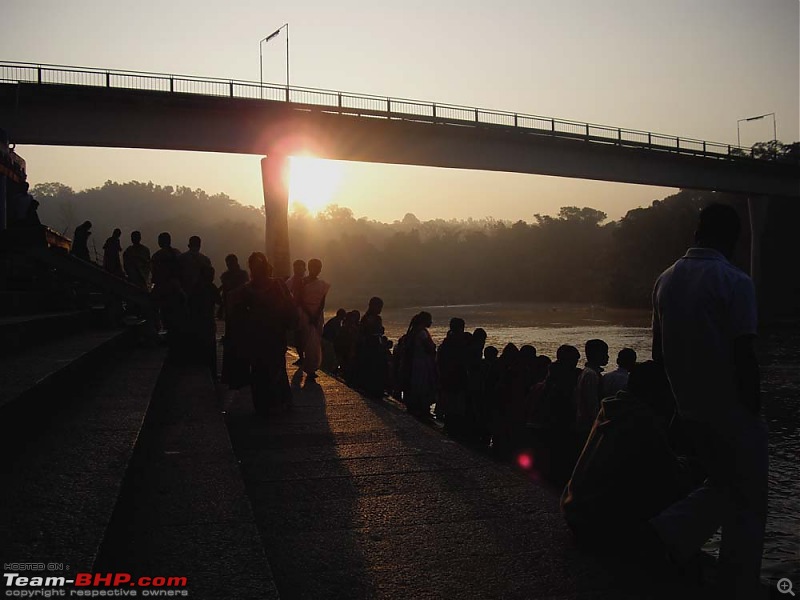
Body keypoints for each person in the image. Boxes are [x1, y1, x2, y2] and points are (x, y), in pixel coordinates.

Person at [649, 203, 766, 599]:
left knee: (725, 486)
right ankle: (733, 579)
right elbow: (743, 355)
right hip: (730, 410)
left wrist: (676, 410)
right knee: (748, 503)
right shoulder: (735, 281)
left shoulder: (664, 281)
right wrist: (754, 409)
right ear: (731, 238)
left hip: (690, 409)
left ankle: (673, 532)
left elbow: (658, 354)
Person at [560, 361, 697, 548]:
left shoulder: (611, 410)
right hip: (598, 523)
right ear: (658, 391)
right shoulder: (642, 421)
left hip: (576, 510)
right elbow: (671, 476)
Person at [230, 252, 296, 416]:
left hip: (257, 334)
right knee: (276, 367)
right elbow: (289, 306)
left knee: (260, 370)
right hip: (274, 333)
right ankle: (280, 402)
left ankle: (265, 405)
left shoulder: (246, 289)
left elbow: (237, 313)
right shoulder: (277, 285)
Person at [219, 254, 250, 388]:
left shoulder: (229, 276)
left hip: (236, 313)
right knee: (236, 344)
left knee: (235, 344)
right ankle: (237, 375)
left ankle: (234, 375)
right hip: (237, 313)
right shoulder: (240, 275)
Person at [298, 259, 330, 381]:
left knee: (315, 341)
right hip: (306, 314)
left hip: (317, 315)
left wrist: (316, 314)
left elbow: (322, 302)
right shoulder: (303, 282)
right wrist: (310, 314)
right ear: (310, 268)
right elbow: (300, 300)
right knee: (307, 341)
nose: (318, 270)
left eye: (319, 268)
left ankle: (313, 367)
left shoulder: (322, 284)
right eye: (316, 267)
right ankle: (308, 367)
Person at [400, 311, 437, 418]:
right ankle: (422, 409)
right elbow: (429, 348)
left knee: (416, 386)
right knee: (423, 386)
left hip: (415, 363)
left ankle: (417, 407)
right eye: (429, 320)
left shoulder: (413, 332)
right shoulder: (422, 333)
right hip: (421, 364)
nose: (431, 322)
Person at [150, 232, 184, 335]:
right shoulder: (177, 253)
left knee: (154, 307)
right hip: (177, 286)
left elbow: (154, 273)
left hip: (163, 286)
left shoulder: (157, 256)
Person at [574, 339, 609, 433]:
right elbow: (592, 403)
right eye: (605, 353)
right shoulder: (591, 375)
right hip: (588, 426)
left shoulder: (587, 372)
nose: (607, 357)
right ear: (596, 355)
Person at [356, 297, 388, 397]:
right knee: (375, 369)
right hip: (373, 347)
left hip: (370, 347)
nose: (380, 309)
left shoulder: (366, 318)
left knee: (373, 369)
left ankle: (373, 388)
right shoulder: (372, 319)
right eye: (379, 307)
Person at [286, 259, 307, 366]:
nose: (298, 270)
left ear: (304, 269)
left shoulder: (309, 281)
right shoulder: (291, 281)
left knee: (307, 337)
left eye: (300, 268)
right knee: (298, 336)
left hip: (308, 313)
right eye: (296, 268)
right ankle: (301, 357)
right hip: (296, 312)